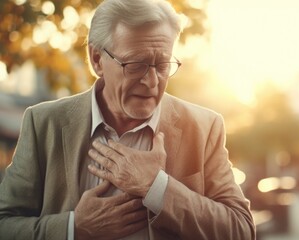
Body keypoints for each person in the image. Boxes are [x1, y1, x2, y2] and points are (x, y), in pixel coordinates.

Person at [0, 0, 255, 239]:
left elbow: (241, 229)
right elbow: (5, 223)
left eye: (163, 64)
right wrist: (74, 228)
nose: (152, 81)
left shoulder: (204, 127)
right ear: (97, 59)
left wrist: (156, 187)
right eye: (136, 64)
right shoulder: (43, 123)